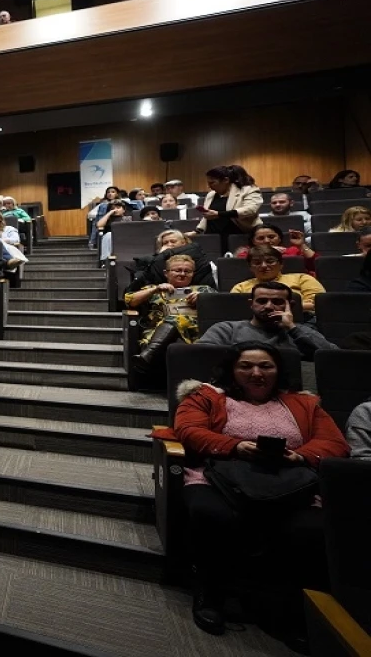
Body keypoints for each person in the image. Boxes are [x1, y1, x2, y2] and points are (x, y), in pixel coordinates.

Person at [172, 342, 348, 641]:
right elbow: (189, 430)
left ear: (278, 371)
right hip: (220, 477)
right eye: (246, 366)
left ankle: (290, 607)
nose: (256, 373)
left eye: (266, 366)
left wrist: (301, 455)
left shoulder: (304, 404)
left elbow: (335, 444)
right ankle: (210, 593)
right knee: (213, 514)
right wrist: (235, 447)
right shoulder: (207, 397)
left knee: (310, 529)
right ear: (232, 370)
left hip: (290, 482)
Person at [198, 282, 336, 359]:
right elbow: (200, 356)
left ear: (291, 306)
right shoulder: (226, 329)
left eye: (277, 301)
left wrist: (292, 328)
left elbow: (333, 357)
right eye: (262, 301)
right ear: (251, 304)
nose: (269, 306)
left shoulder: (301, 331)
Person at [126, 255, 215, 372]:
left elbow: (221, 307)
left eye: (187, 271)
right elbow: (130, 301)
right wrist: (155, 289)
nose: (182, 274)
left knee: (177, 319)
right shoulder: (154, 289)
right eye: (177, 270)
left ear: (193, 274)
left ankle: (148, 354)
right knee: (174, 323)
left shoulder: (204, 290)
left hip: (196, 331)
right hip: (159, 331)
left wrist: (204, 299)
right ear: (166, 273)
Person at [228, 246, 325, 314]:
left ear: (281, 264)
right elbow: (236, 309)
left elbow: (317, 304)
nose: (264, 266)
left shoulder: (302, 278)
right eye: (257, 263)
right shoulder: (240, 287)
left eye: (270, 261)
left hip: (300, 322)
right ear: (250, 267)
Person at [192, 165, 263, 252]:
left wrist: (219, 214)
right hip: (213, 239)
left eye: (212, 183)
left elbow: (250, 209)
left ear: (226, 180)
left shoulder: (248, 190)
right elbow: (207, 216)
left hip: (238, 236)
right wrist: (197, 231)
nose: (209, 186)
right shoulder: (211, 195)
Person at [232, 222, 316, 273]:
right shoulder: (246, 253)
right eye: (261, 238)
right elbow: (241, 266)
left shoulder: (293, 250)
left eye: (271, 237)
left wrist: (302, 245)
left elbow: (316, 265)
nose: (267, 241)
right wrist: (268, 251)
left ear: (279, 238)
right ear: (253, 241)